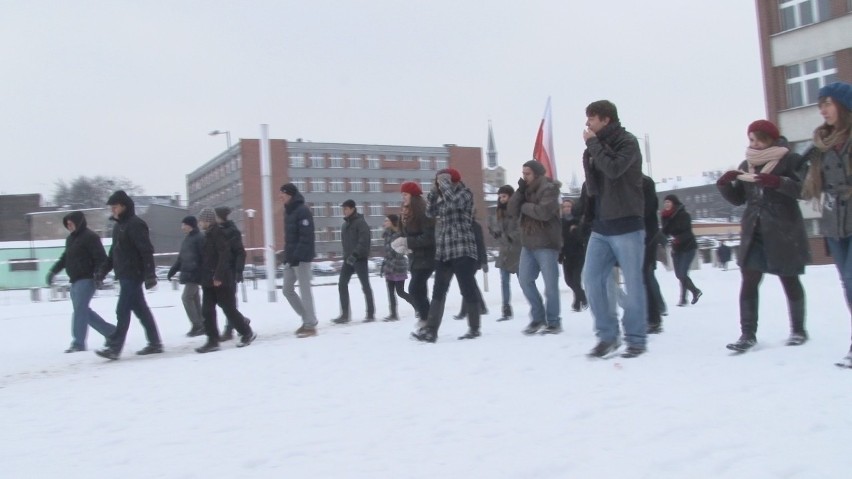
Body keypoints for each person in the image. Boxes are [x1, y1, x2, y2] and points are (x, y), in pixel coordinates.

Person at [717, 119, 810, 353]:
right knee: (749, 280)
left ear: (771, 139)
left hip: (783, 230)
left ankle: (798, 330)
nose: (754, 144)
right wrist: (725, 184)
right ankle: (747, 334)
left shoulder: (790, 159)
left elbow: (804, 189)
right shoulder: (747, 165)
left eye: (759, 139)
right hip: (754, 231)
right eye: (751, 139)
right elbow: (739, 199)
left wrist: (778, 182)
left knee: (789, 278)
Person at [580, 100, 648, 358]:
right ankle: (607, 336)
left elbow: (614, 169)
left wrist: (592, 144)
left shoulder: (627, 142)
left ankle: (636, 339)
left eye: (592, 119)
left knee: (633, 284)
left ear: (606, 119)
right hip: (601, 226)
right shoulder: (594, 148)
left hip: (627, 224)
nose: (587, 125)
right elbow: (593, 188)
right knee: (591, 279)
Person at [798, 81, 852, 365]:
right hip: (834, 222)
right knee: (847, 284)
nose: (823, 110)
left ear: (843, 106)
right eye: (820, 105)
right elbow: (806, 188)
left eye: (828, 103)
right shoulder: (821, 145)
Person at [411, 168, 481, 342]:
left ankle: (474, 327)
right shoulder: (443, 196)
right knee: (438, 290)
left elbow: (454, 203)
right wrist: (434, 193)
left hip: (462, 248)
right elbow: (430, 212)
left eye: (442, 182)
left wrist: (444, 185)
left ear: (452, 181)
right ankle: (431, 330)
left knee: (467, 287)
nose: (440, 186)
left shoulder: (465, 193)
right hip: (444, 250)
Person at [94, 190, 163, 360]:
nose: (113, 210)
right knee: (141, 310)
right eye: (111, 207)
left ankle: (114, 347)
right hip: (124, 274)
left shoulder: (135, 224)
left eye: (115, 207)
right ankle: (155, 343)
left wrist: (150, 275)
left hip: (133, 274)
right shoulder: (119, 227)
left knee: (122, 309)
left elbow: (146, 250)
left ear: (124, 206)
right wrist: (103, 271)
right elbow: (113, 253)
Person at [47, 210, 116, 353]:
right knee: (83, 311)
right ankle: (111, 333)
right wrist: (53, 271)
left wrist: (98, 275)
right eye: (67, 224)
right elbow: (64, 258)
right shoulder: (71, 239)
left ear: (78, 222)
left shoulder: (90, 237)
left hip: (87, 279)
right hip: (75, 281)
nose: (69, 226)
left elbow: (101, 258)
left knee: (80, 311)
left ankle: (78, 343)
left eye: (71, 223)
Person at [508, 160, 563, 335]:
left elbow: (543, 213)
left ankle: (553, 321)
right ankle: (538, 317)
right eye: (523, 173)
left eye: (528, 173)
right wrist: (519, 192)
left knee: (550, 285)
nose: (524, 177)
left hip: (546, 242)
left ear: (537, 174)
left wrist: (524, 206)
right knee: (524, 280)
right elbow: (511, 209)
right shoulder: (525, 190)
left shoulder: (549, 188)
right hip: (528, 243)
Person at [193, 207, 255, 353]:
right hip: (208, 280)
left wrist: (219, 276)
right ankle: (212, 340)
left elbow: (224, 255)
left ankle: (246, 332)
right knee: (207, 311)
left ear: (208, 221)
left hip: (220, 279)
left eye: (201, 220)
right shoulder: (206, 235)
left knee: (228, 309)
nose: (199, 223)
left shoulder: (218, 234)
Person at [279, 183, 318, 338]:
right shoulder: (288, 211)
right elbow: (290, 238)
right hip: (291, 257)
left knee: (305, 290)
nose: (279, 196)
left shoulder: (302, 210)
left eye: (282, 193)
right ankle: (308, 318)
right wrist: (287, 256)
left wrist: (298, 256)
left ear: (289, 194)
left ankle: (310, 325)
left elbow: (306, 236)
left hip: (302, 258)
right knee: (287, 290)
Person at [397, 181, 435, 327]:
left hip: (426, 257)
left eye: (405, 194)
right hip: (414, 258)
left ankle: (426, 317)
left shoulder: (423, 212)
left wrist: (408, 242)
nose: (403, 198)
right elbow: (404, 234)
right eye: (402, 195)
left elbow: (428, 237)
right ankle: (427, 318)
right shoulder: (407, 212)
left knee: (414, 288)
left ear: (413, 196)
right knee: (420, 289)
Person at [210, 207, 250, 342]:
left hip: (230, 270)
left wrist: (238, 271)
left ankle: (230, 328)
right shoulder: (216, 231)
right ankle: (240, 320)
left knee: (229, 301)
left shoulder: (232, 231)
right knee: (223, 302)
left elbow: (240, 252)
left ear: (220, 217)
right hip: (219, 271)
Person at [332, 199, 376, 323]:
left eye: (346, 209)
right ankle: (345, 314)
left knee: (365, 285)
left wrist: (355, 254)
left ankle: (370, 314)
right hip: (348, 259)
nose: (344, 211)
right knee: (342, 284)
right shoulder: (345, 225)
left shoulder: (361, 223)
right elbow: (345, 243)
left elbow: (364, 241)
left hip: (359, 259)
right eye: (343, 209)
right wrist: (346, 256)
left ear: (352, 209)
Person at [661, 194, 703, 307]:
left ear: (674, 203)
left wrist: (677, 239)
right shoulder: (665, 216)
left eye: (669, 202)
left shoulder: (683, 215)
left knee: (682, 273)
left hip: (688, 247)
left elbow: (688, 232)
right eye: (665, 203)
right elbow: (664, 233)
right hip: (677, 249)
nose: (666, 204)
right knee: (679, 275)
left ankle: (692, 293)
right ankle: (685, 298)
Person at [167, 215, 205, 337]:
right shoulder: (188, 239)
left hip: (195, 274)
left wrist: (201, 271)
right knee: (194, 299)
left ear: (190, 225)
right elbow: (182, 258)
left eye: (184, 224)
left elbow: (203, 257)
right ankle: (202, 324)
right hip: (189, 273)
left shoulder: (199, 238)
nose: (182, 227)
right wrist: (173, 270)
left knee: (186, 298)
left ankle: (197, 325)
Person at [491, 185, 521, 321]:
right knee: (504, 280)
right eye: (500, 196)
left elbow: (521, 228)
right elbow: (498, 227)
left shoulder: (517, 210)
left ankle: (536, 306)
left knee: (525, 281)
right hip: (505, 251)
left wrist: (510, 236)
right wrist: (496, 232)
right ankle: (506, 308)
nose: (501, 199)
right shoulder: (500, 211)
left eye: (504, 196)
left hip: (517, 250)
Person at [642, 175, 666, 334]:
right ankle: (651, 314)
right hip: (630, 234)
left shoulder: (645, 182)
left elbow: (648, 208)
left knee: (645, 275)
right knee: (643, 276)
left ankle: (654, 317)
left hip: (646, 236)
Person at [453, 217, 488, 320]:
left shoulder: (475, 226)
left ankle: (464, 312)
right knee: (471, 284)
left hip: (473, 259)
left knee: (467, 283)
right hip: (464, 258)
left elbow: (481, 244)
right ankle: (482, 307)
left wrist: (484, 261)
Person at [381, 214, 414, 321]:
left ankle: (418, 306)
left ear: (392, 222)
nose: (384, 222)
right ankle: (393, 314)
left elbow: (399, 252)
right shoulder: (387, 235)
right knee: (390, 292)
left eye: (387, 220)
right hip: (389, 266)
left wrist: (391, 260)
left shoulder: (399, 235)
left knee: (400, 292)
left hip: (398, 266)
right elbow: (387, 252)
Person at [559, 197, 588, 312]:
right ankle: (581, 298)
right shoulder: (560, 222)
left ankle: (580, 301)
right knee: (568, 280)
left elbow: (581, 238)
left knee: (576, 280)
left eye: (569, 206)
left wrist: (576, 230)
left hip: (578, 253)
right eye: (564, 206)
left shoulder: (578, 220)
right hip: (566, 255)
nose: (566, 209)